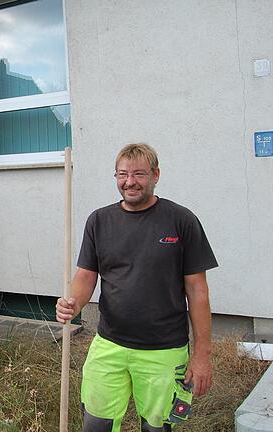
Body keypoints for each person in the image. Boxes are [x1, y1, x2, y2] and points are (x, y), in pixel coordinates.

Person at [56, 143, 217, 432]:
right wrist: (73, 303)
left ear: (156, 175)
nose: (129, 182)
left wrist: (202, 354)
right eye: (122, 174)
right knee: (97, 425)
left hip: (164, 351)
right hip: (109, 344)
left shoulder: (181, 221)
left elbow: (198, 291)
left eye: (139, 174)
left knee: (156, 427)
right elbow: (85, 276)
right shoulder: (99, 220)